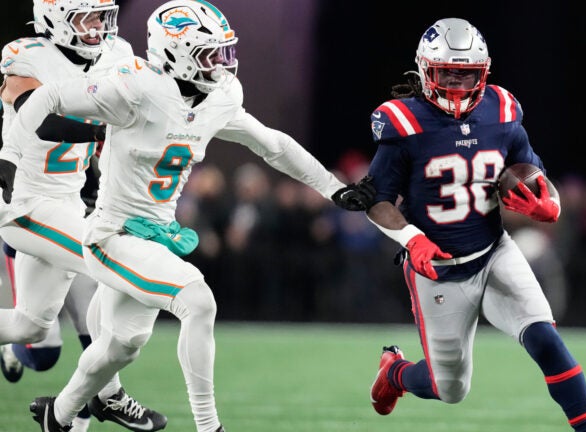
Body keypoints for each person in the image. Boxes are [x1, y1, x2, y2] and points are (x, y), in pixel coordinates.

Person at [4, 1, 374, 431]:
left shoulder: (219, 96)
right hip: (112, 231)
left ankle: (60, 415)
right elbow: (46, 97)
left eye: (223, 52)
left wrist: (335, 187)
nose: (222, 64)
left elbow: (272, 144)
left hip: (155, 232)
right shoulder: (135, 85)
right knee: (197, 301)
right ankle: (209, 425)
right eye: (209, 54)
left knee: (122, 344)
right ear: (177, 52)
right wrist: (9, 156)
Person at [364, 18, 586, 431]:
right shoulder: (404, 122)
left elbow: (534, 171)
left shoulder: (502, 110)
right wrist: (412, 239)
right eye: (447, 73)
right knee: (450, 389)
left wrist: (547, 203)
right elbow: (377, 201)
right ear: (426, 70)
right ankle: (395, 372)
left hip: (494, 251)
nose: (457, 84)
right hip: (437, 268)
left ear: (484, 72)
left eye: (467, 74)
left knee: (546, 338)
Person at [0, 1, 167, 431]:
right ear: (57, 19)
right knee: (113, 265)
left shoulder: (115, 55)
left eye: (103, 17)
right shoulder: (28, 56)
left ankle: (84, 405)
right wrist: (110, 132)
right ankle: (105, 397)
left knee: (29, 327)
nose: (99, 27)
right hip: (24, 201)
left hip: (69, 200)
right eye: (88, 18)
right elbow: (40, 120)